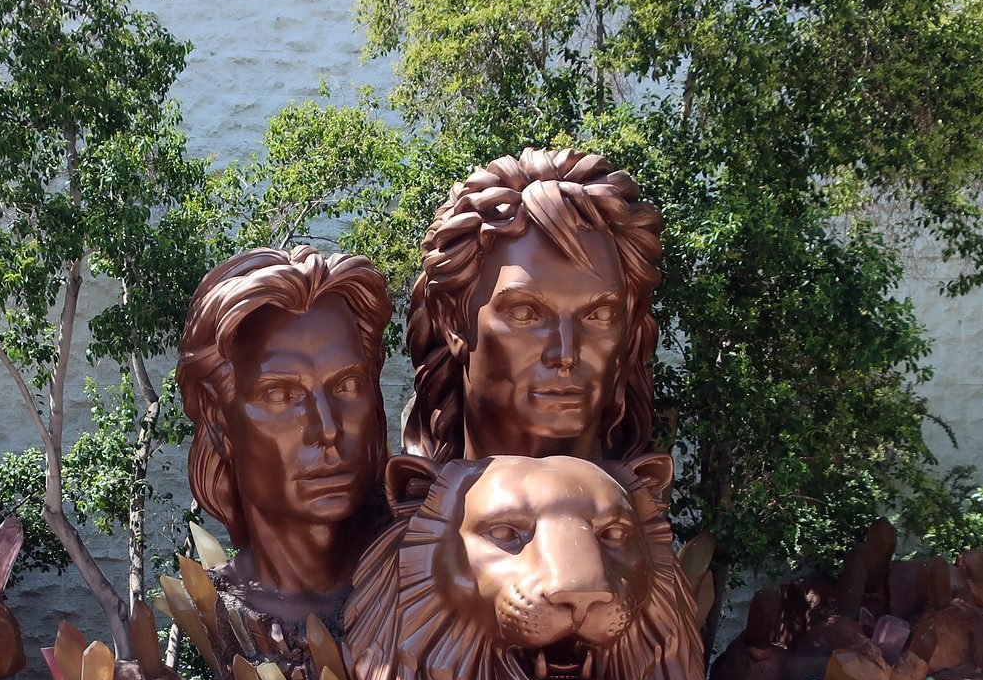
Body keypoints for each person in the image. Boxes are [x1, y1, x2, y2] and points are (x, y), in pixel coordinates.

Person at [175, 246, 392, 623]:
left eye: (348, 385)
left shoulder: (431, 579)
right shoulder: (216, 609)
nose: (326, 429)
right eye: (280, 395)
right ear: (217, 418)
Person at [403, 149, 662, 463]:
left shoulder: (645, 499)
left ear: (629, 325)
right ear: (453, 322)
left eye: (600, 315)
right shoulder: (404, 501)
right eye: (525, 313)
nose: (566, 353)